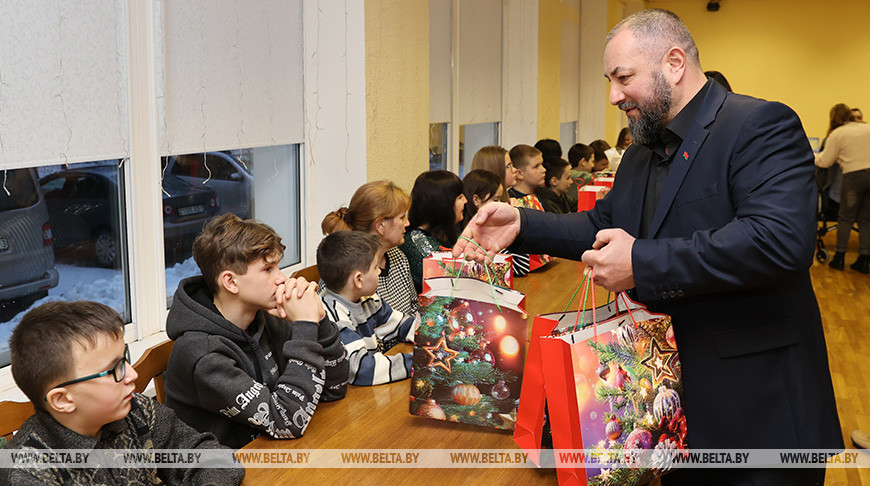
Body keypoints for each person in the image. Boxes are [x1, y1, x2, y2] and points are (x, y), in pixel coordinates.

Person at [455, 9, 841, 485]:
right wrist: (521, 223)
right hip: (669, 400)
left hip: (758, 406)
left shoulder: (758, 125)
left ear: (674, 63)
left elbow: (778, 239)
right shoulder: (642, 150)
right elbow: (602, 223)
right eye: (610, 80)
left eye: (624, 78)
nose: (614, 95)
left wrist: (640, 261)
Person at [5, 301, 244, 485]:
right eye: (113, 370)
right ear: (63, 399)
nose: (132, 375)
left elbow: (207, 455)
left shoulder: (136, 410)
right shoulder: (29, 472)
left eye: (124, 359)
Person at [165, 213, 348, 449]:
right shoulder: (202, 354)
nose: (281, 278)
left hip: (274, 454)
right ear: (230, 282)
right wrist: (304, 326)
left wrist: (319, 321)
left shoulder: (264, 317)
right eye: (268, 269)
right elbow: (287, 421)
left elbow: (333, 389)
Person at [317, 231, 417, 386]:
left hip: (369, 388)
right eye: (376, 267)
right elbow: (362, 370)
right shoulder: (332, 317)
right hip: (349, 399)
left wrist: (433, 336)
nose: (379, 271)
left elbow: (401, 325)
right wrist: (418, 363)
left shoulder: (367, 299)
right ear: (358, 279)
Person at [322, 181, 417, 315]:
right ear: (380, 225)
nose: (407, 223)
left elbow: (414, 307)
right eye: (402, 217)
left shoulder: (398, 257)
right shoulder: (348, 271)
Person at [815, 102, 870, 274]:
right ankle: (864, 261)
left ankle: (839, 258)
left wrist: (810, 154)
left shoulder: (838, 133)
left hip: (853, 177)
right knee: (865, 219)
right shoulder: (867, 128)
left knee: (845, 218)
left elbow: (825, 161)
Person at [397, 170, 466, 292]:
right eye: (460, 197)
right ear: (443, 204)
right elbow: (452, 283)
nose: (466, 200)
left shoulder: (451, 230)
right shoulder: (415, 242)